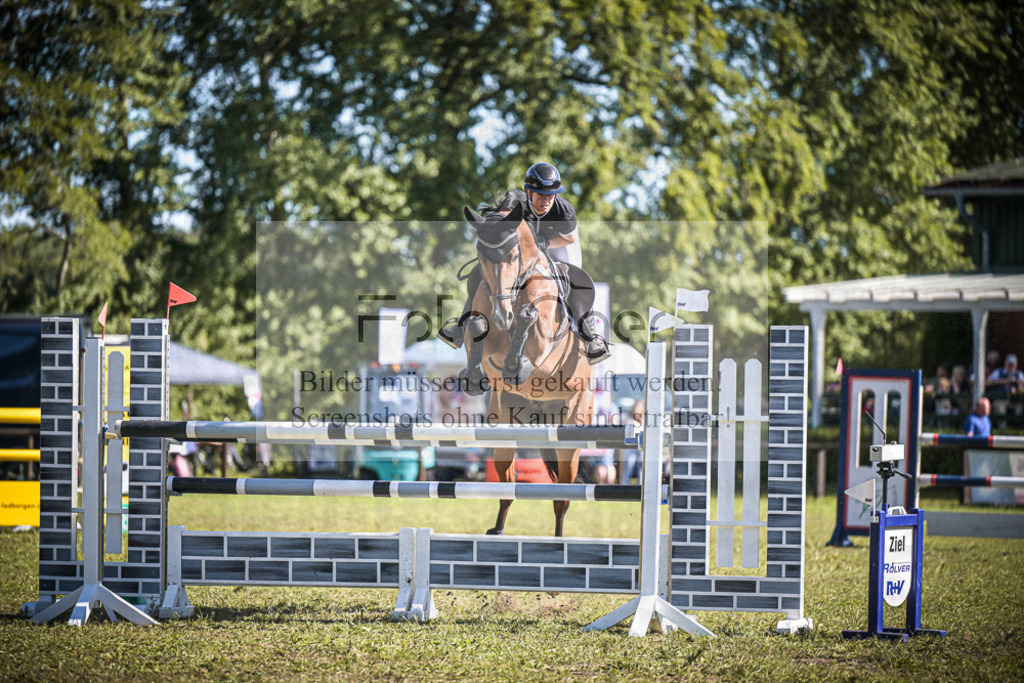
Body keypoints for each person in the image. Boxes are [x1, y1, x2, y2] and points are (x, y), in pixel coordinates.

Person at [438, 162, 610, 364]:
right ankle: (461, 326)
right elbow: (500, 226)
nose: (546, 201)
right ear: (529, 192)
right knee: (483, 271)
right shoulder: (516, 202)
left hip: (558, 243)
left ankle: (590, 336)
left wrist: (545, 243)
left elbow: (569, 238)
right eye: (541, 195)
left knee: (574, 277)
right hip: (524, 249)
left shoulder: (564, 211)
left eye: (551, 195)